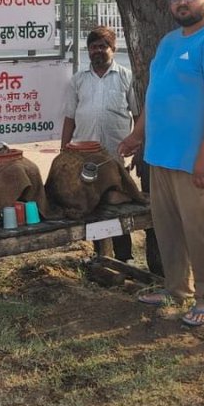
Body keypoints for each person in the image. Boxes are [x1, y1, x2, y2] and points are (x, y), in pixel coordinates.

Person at [118, 0, 204, 328]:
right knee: (168, 227)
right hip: (161, 155)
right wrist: (137, 134)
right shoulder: (170, 41)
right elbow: (154, 96)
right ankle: (176, 288)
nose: (182, 2)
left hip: (195, 159)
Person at [61, 25, 138, 261]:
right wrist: (63, 151)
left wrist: (138, 146)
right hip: (84, 159)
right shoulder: (78, 80)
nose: (98, 51)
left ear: (113, 49)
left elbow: (137, 115)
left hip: (115, 156)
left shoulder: (126, 77)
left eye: (103, 46)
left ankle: (124, 257)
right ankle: (100, 257)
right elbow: (70, 117)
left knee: (118, 206)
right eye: (93, 47)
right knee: (92, 205)